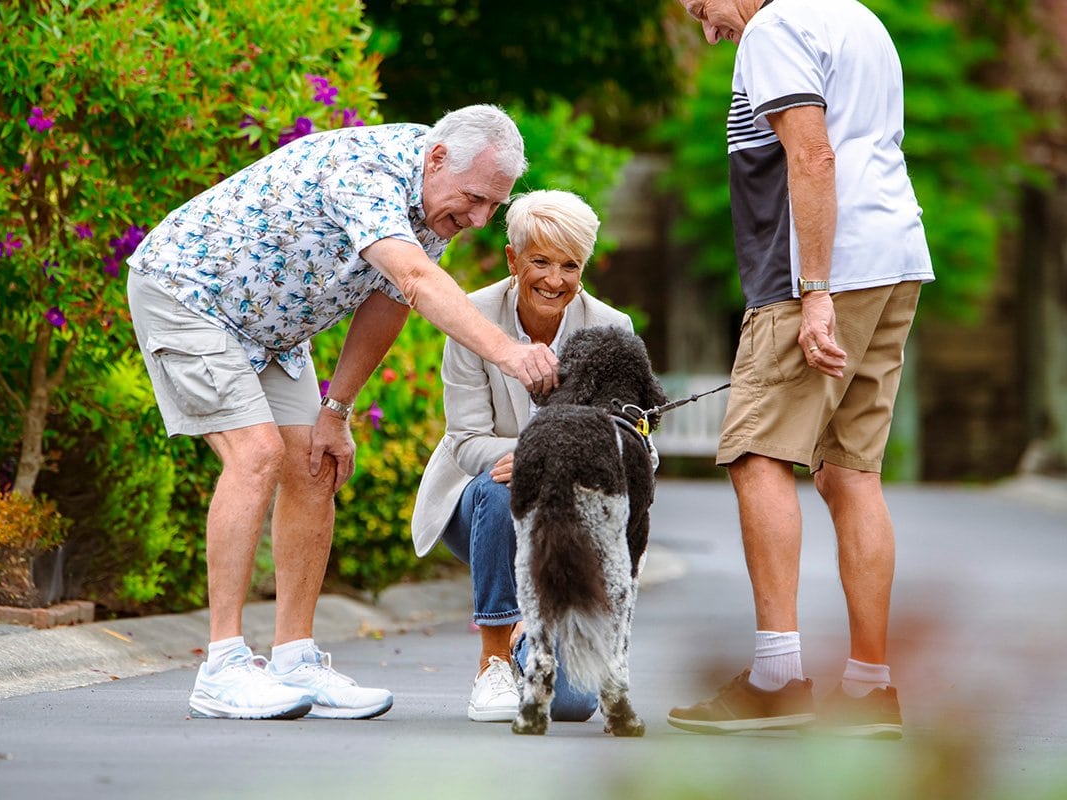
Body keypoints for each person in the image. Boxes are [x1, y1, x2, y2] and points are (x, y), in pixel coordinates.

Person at [126, 104, 561, 721]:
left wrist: (336, 409)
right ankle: (221, 667)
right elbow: (413, 278)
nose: (480, 218)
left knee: (312, 464)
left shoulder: (434, 201)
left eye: (493, 206)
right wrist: (513, 355)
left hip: (270, 330)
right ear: (437, 158)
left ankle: (294, 660)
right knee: (256, 454)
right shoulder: (365, 171)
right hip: (190, 295)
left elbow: (389, 301)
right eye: (474, 199)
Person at [666, 0, 935, 739]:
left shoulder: (775, 29)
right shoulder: (856, 18)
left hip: (818, 274)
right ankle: (870, 689)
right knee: (851, 472)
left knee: (757, 452)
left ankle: (776, 680)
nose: (706, 25)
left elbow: (812, 155)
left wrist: (813, 293)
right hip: (894, 259)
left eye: (703, 6)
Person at [410, 190, 635, 723]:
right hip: (484, 511)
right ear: (513, 260)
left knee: (576, 705)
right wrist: (530, 460)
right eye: (540, 262)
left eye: (569, 265)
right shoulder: (472, 317)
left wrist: (545, 458)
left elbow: (628, 444)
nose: (554, 279)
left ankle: (525, 635)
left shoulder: (611, 330)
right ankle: (492, 660)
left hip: (570, 524)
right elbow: (466, 440)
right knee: (498, 483)